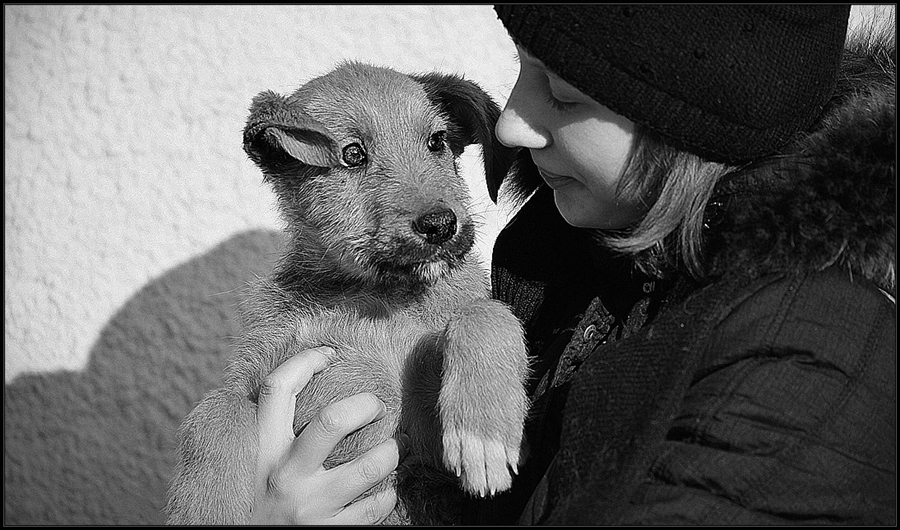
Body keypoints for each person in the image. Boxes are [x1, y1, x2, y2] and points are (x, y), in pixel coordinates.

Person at [250, 4, 896, 525]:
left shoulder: (809, 353)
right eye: (523, 71)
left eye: (562, 94)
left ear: (692, 123)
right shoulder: (559, 269)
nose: (509, 129)